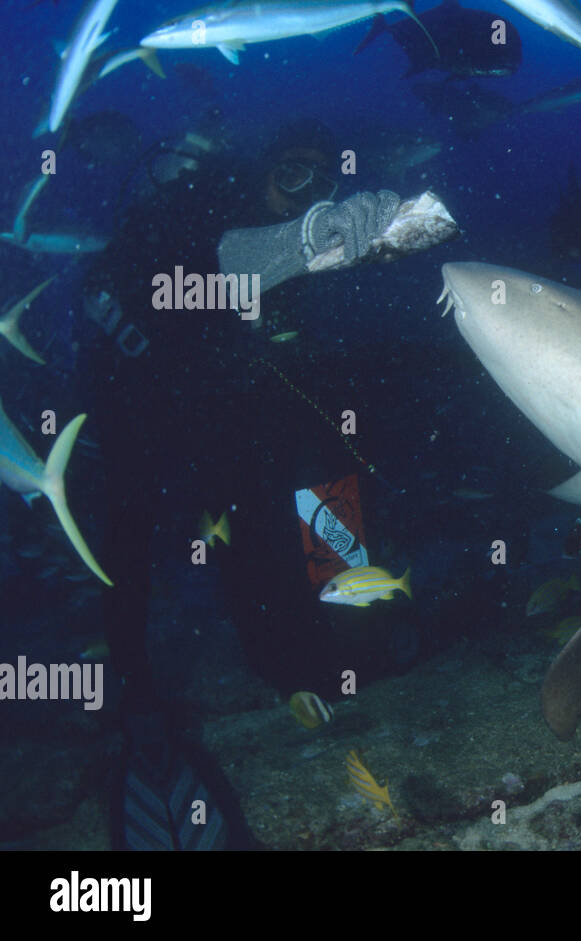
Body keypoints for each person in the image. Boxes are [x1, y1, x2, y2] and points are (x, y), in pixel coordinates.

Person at [80, 119, 453, 848]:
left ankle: (356, 626)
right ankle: (136, 694)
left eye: (322, 182)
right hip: (133, 385)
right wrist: (312, 235)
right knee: (128, 534)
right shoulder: (199, 202)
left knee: (317, 453)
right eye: (291, 174)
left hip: (220, 383)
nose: (303, 193)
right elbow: (209, 269)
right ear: (259, 169)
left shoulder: (288, 236)